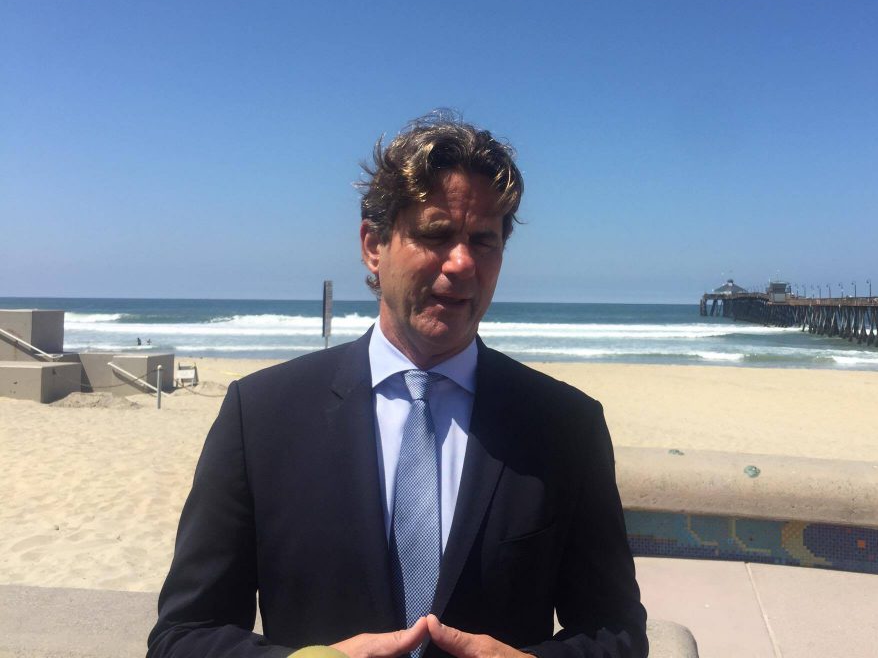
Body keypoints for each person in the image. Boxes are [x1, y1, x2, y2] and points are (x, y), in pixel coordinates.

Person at [148, 112, 647, 658]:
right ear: (373, 244)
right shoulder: (262, 415)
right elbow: (184, 634)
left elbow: (616, 631)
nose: (462, 263)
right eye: (436, 234)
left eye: (483, 241)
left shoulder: (565, 426)